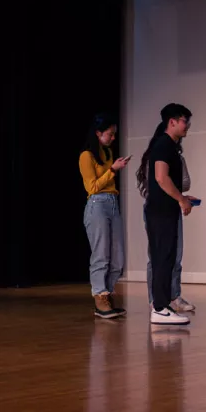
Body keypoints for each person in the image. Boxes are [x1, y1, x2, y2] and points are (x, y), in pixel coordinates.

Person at [140, 103, 197, 325]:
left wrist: (182, 197)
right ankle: (160, 307)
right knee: (162, 258)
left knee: (167, 257)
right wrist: (180, 199)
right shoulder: (164, 145)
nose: (187, 126)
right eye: (184, 121)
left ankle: (162, 307)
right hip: (160, 213)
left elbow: (166, 181)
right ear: (171, 122)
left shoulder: (169, 146)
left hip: (165, 210)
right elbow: (161, 178)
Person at [79, 113, 131, 319]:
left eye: (114, 134)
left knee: (117, 257)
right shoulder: (86, 156)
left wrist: (112, 167)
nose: (112, 138)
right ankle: (100, 297)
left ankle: (107, 293)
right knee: (101, 254)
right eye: (109, 134)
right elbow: (92, 187)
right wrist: (112, 170)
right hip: (97, 204)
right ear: (98, 133)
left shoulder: (107, 152)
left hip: (112, 203)